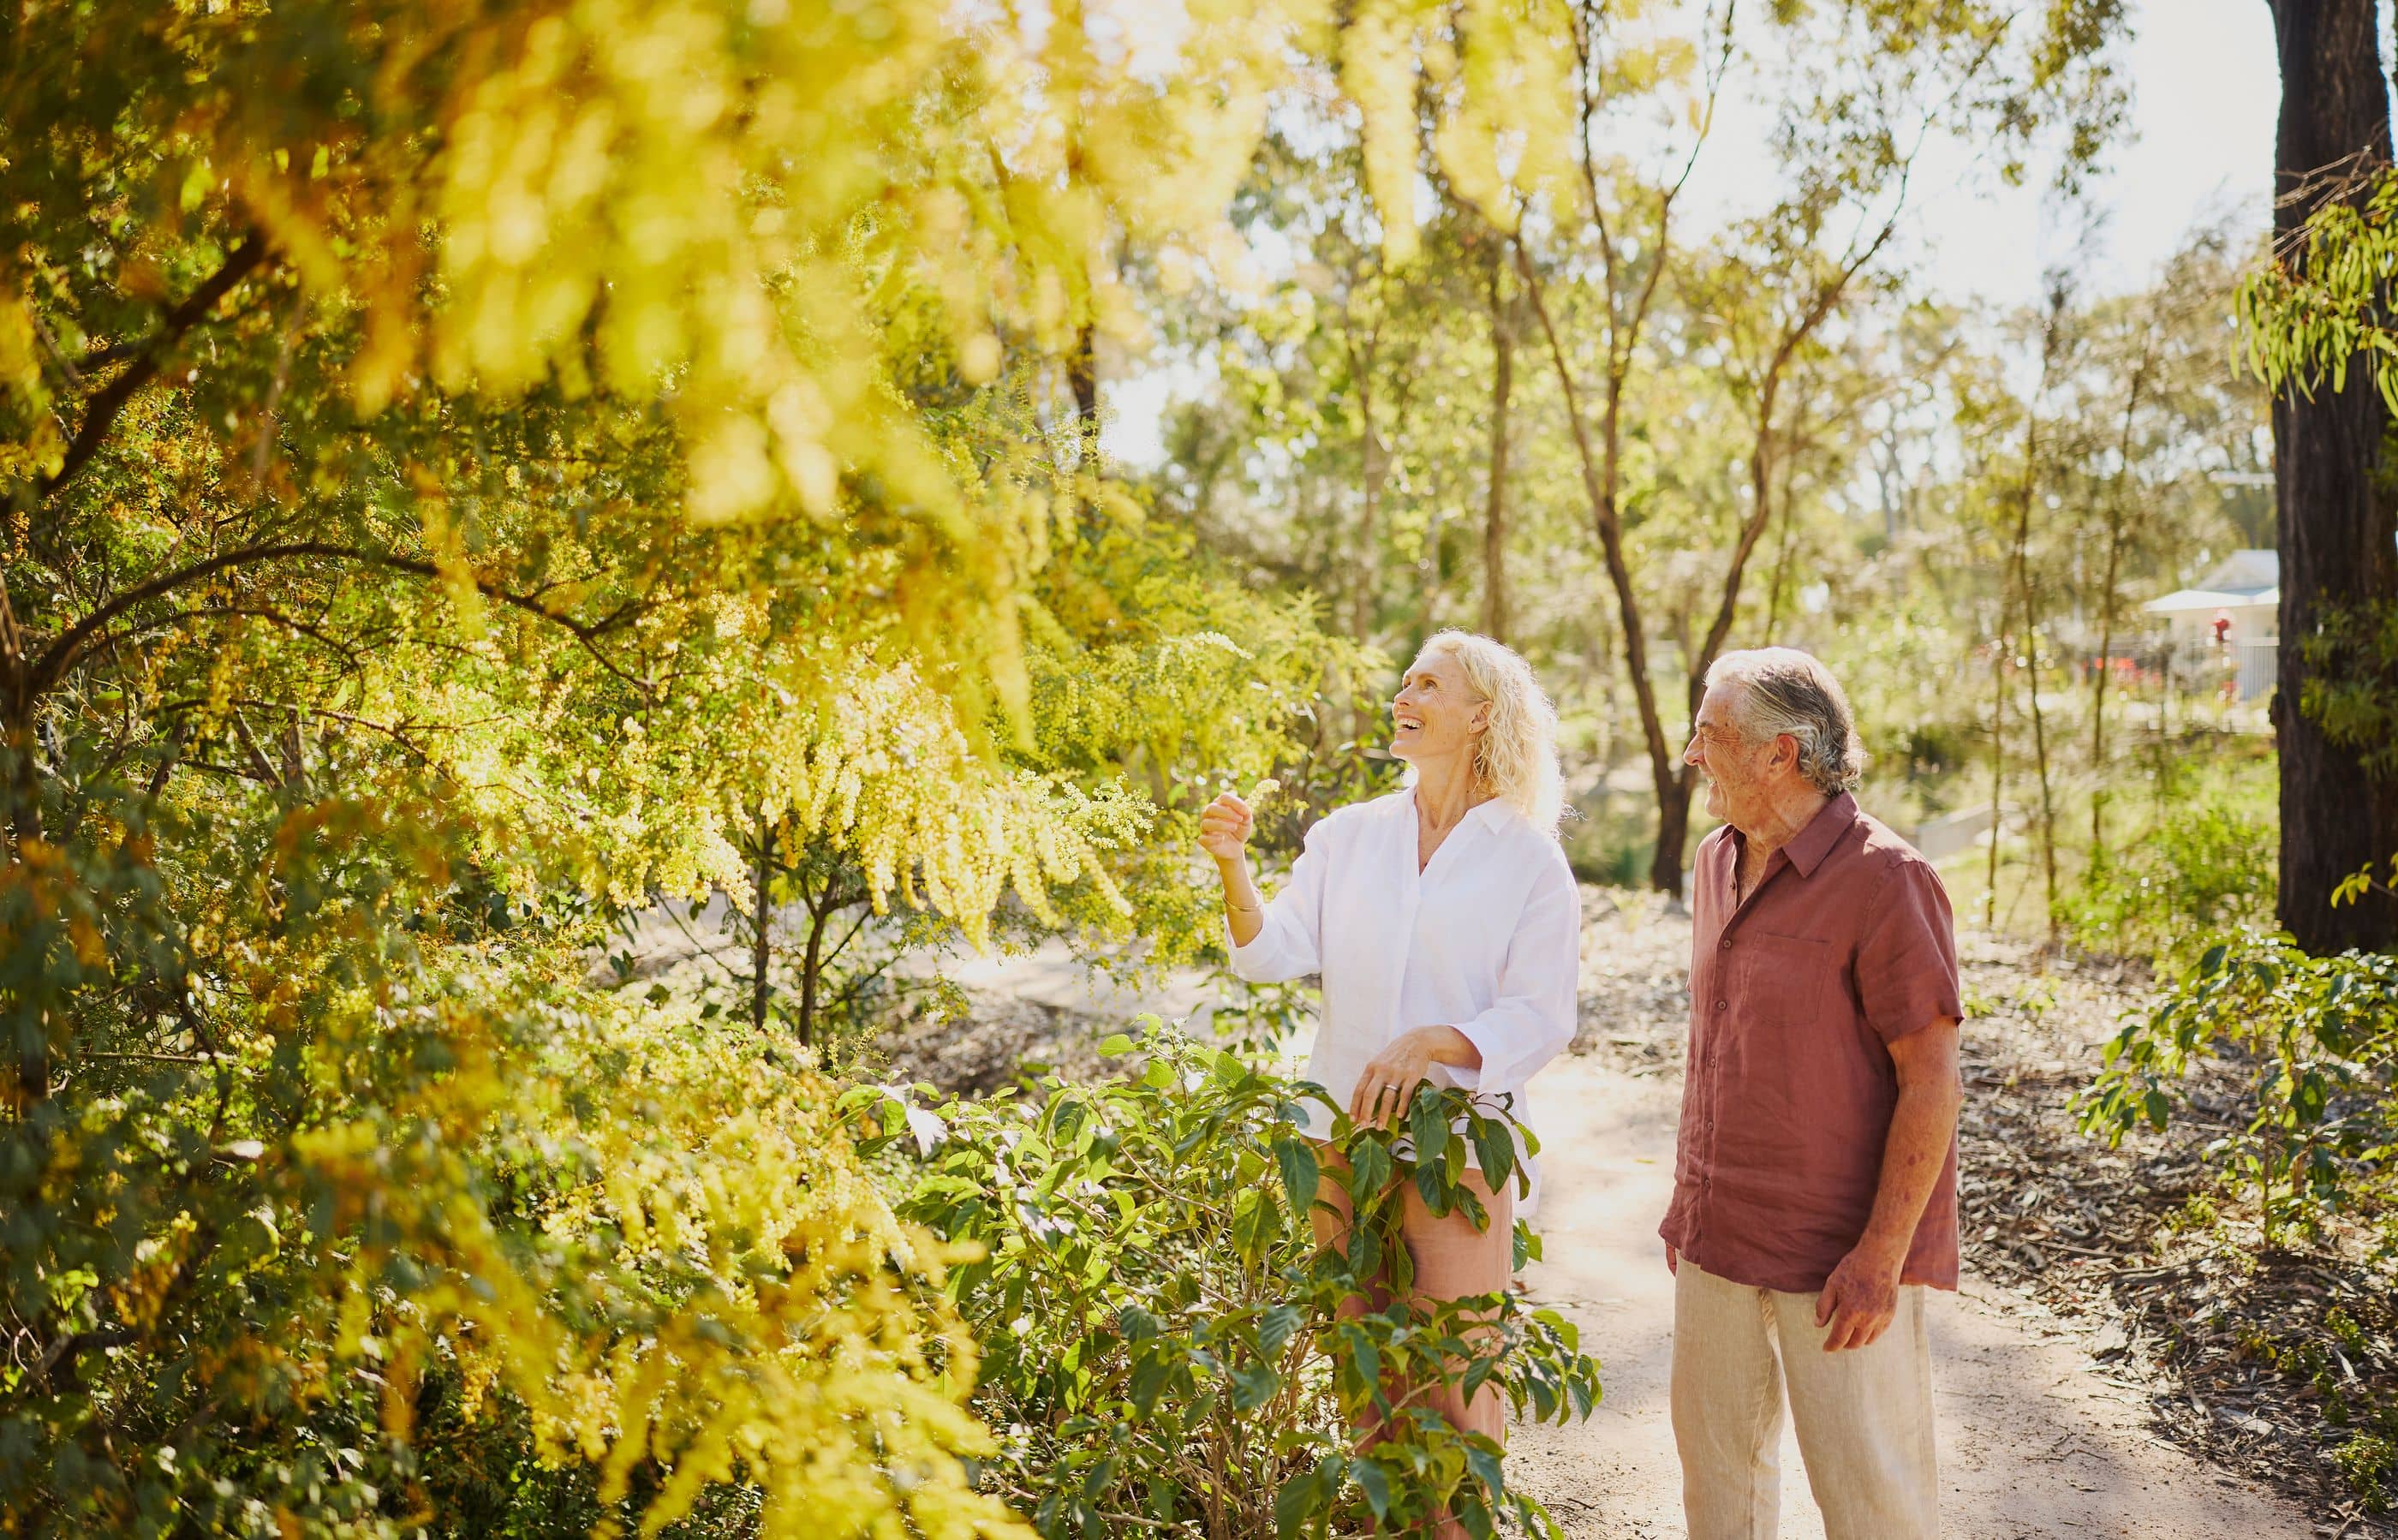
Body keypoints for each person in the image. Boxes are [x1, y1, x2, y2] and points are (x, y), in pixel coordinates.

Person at [1196, 629, 1581, 1515]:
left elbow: (1542, 1011)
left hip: (1458, 1148)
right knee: (1359, 1361)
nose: (1403, 696)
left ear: (1482, 714)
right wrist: (1231, 867)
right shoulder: (1349, 835)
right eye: (1403, 680)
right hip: (1342, 1133)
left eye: (1428, 684)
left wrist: (1435, 1040)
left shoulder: (1528, 859)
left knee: (1452, 1372)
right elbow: (1268, 954)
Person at [1663, 647, 1964, 1540]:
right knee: (1718, 1489)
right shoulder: (1716, 863)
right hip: (1717, 1238)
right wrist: (1688, 1205)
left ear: (1779, 754)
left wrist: (1881, 1255)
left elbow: (1931, 1080)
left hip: (1840, 1260)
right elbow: (1715, 1052)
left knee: (1872, 1501)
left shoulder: (1887, 880)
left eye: (1708, 735)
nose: (1689, 755)